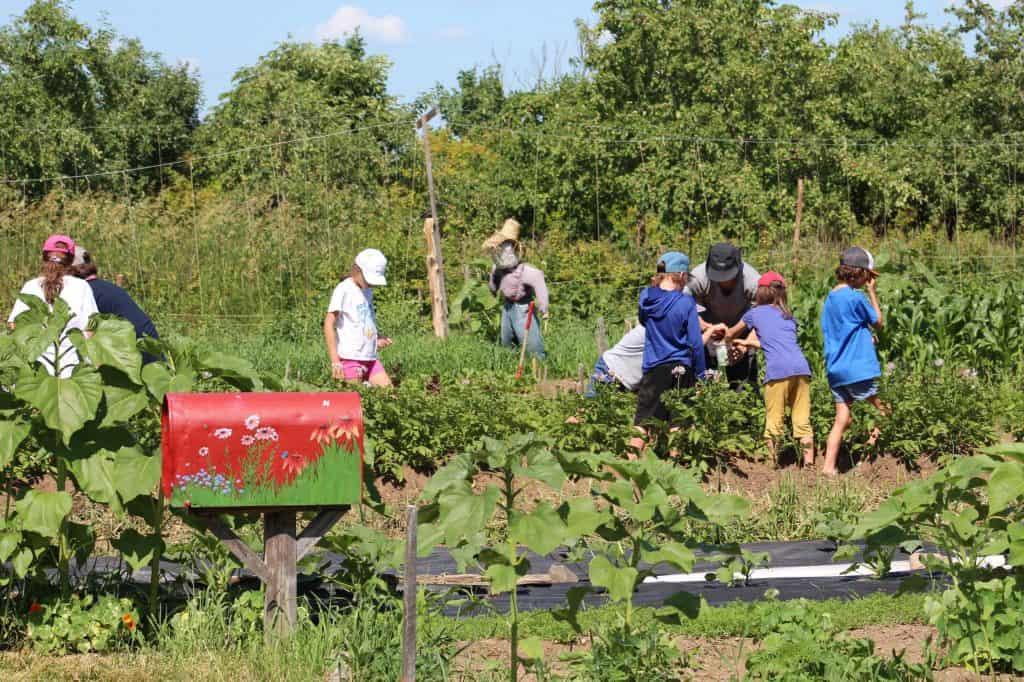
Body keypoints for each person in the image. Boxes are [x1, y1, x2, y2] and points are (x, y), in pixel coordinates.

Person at [726, 272, 814, 466]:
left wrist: (729, 343)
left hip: (777, 373)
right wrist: (748, 344)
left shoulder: (754, 313)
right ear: (782, 293)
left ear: (760, 293)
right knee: (802, 420)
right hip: (801, 369)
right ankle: (809, 465)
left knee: (774, 420)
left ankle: (773, 463)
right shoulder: (788, 317)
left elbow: (731, 332)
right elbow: (776, 342)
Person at [820, 247, 888, 476]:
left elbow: (844, 329)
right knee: (885, 411)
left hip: (835, 370)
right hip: (856, 370)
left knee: (842, 419)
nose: (868, 280)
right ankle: (867, 459)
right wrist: (872, 292)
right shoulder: (855, 297)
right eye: (867, 276)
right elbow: (878, 321)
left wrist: (863, 335)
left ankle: (828, 467)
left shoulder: (830, 299)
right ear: (859, 274)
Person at [8, 235, 98, 377]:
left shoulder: (31, 286)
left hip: (37, 371)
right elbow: (91, 328)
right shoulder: (81, 286)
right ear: (71, 261)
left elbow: (14, 325)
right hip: (73, 369)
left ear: (44, 257)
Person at [635, 251, 706, 427]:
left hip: (654, 368)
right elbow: (696, 344)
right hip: (682, 369)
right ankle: (675, 456)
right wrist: (701, 375)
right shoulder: (686, 302)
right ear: (681, 275)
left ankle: (634, 454)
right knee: (679, 425)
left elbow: (643, 321)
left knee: (643, 425)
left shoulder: (646, 296)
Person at [686, 242, 760, 387]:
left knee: (743, 387)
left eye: (728, 276)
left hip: (742, 331)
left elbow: (766, 316)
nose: (724, 281)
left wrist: (744, 345)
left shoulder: (752, 280)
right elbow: (682, 309)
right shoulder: (698, 277)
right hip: (707, 333)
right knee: (704, 385)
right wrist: (707, 328)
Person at [70, 247, 161, 365]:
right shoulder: (105, 286)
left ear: (71, 271)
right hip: (148, 343)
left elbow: (84, 333)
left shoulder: (87, 292)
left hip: (136, 349)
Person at [323, 248, 392, 387]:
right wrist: (335, 361)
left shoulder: (367, 290)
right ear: (357, 270)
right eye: (369, 278)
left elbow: (363, 321)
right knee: (355, 401)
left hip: (370, 358)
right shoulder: (344, 290)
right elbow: (329, 323)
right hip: (350, 359)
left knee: (389, 393)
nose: (372, 283)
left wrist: (376, 339)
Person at [486, 219, 549, 360]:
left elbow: (539, 282)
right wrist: (493, 288)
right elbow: (494, 282)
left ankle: (538, 368)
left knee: (532, 345)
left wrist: (543, 307)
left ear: (515, 249)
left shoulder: (527, 271)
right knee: (507, 341)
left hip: (524, 309)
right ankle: (511, 367)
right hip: (507, 307)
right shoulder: (497, 267)